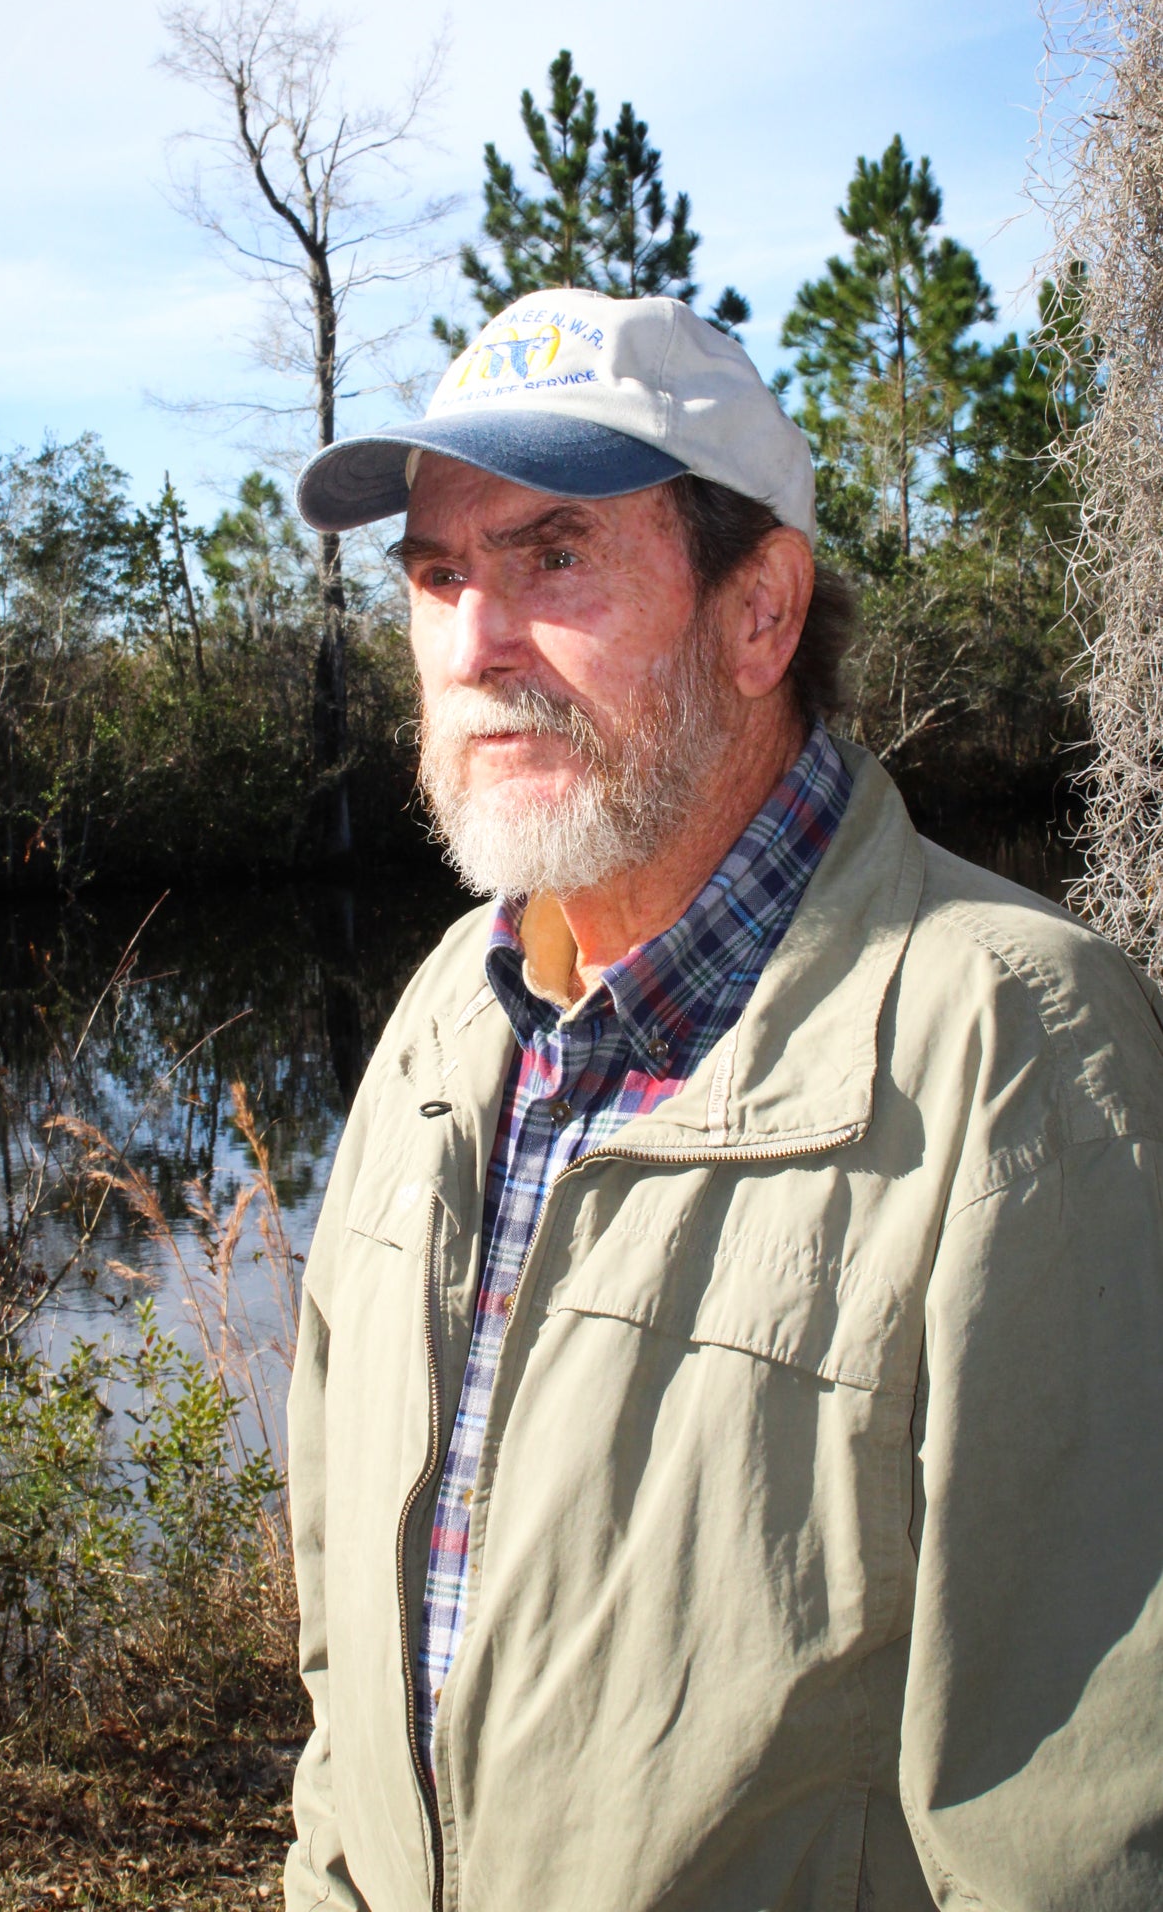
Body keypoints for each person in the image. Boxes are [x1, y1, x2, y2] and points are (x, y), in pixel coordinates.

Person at [282, 290, 1163, 1911]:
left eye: (551, 559)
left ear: (759, 614)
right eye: (436, 575)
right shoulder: (437, 1031)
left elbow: (1082, 1836)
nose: (474, 645)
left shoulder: (1021, 1052)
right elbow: (343, 1651)